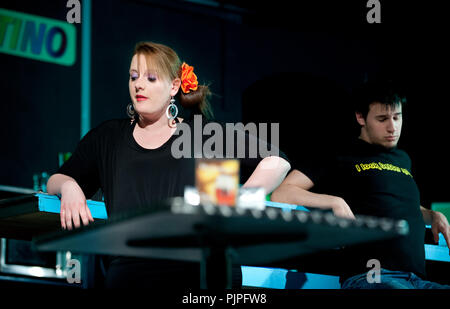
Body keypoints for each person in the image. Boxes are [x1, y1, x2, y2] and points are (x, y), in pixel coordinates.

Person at [46, 41, 291, 288]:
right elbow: (56, 180)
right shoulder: (108, 137)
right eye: (133, 77)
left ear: (174, 86)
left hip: (196, 272)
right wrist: (69, 186)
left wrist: (240, 201)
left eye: (151, 78)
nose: (138, 84)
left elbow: (277, 161)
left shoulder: (200, 133)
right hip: (129, 274)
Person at [271, 79, 450, 289]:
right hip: (371, 277)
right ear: (360, 117)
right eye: (382, 119)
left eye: (397, 117)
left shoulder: (403, 159)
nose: (392, 127)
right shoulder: (340, 153)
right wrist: (335, 202)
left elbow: (401, 205)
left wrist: (432, 215)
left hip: (417, 279)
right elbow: (282, 193)